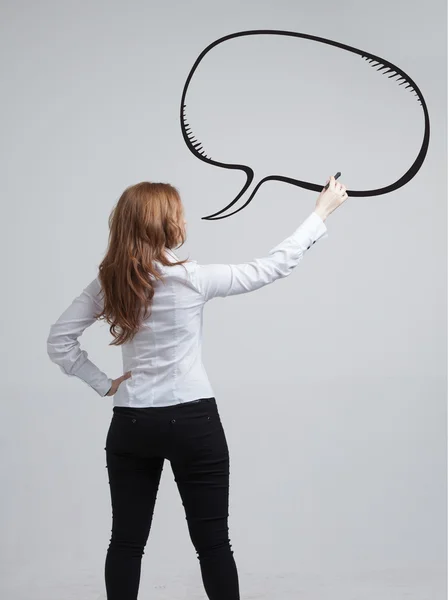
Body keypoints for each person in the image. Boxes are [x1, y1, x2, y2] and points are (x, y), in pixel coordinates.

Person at [46, 175, 348, 600]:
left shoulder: (108, 282)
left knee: (126, 544)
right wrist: (320, 213)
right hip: (194, 423)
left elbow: (58, 340)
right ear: (168, 224)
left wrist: (104, 383)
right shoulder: (194, 278)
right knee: (213, 545)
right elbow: (274, 265)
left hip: (132, 423)